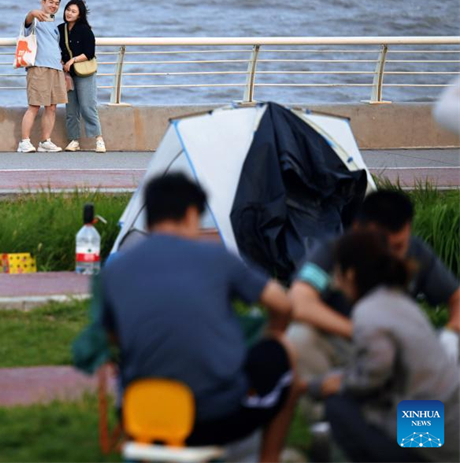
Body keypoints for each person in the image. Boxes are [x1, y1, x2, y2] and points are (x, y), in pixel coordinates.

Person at [100, 173, 301, 462]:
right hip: (212, 420)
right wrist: (274, 332)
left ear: (149, 217)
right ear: (191, 214)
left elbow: (111, 336)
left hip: (141, 415)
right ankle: (269, 458)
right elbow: (281, 304)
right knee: (283, 350)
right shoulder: (217, 258)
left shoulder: (116, 269)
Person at [317, 229, 459, 462]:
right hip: (450, 431)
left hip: (429, 444)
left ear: (350, 275)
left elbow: (375, 372)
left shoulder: (368, 310)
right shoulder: (400, 301)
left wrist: (339, 384)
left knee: (338, 406)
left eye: (337, 273)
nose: (336, 282)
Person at [288, 189, 460, 381]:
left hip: (400, 348)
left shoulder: (416, 253)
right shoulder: (332, 251)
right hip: (343, 342)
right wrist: (361, 332)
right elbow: (300, 303)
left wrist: (451, 333)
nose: (391, 256)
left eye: (399, 246)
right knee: (299, 337)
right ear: (357, 230)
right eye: (382, 244)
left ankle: (425, 401)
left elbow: (456, 297)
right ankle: (317, 397)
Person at [17, 0, 67, 153]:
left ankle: (45, 141)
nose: (54, 5)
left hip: (56, 68)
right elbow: (27, 22)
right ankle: (24, 142)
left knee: (52, 107)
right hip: (38, 67)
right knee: (34, 106)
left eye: (57, 3)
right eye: (51, 2)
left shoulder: (54, 25)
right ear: (43, 2)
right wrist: (32, 13)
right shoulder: (35, 20)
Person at [58, 0, 105, 153]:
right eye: (68, 10)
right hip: (68, 73)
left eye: (73, 11)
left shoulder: (85, 30)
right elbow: (56, 48)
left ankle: (98, 139)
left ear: (79, 15)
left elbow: (90, 52)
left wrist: (72, 60)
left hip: (85, 73)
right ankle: (74, 140)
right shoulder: (60, 29)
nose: (69, 13)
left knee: (87, 106)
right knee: (71, 109)